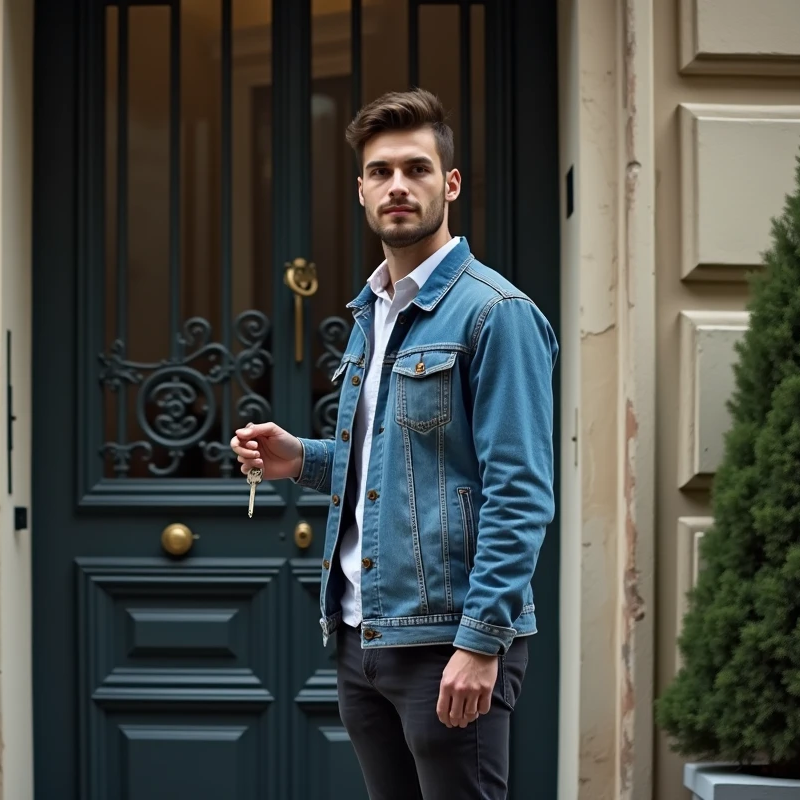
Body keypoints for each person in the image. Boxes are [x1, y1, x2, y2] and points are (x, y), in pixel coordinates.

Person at [229, 89, 558, 800]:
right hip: (361, 638)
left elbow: (520, 491)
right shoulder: (372, 312)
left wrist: (479, 642)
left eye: (416, 168)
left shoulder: (496, 314)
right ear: (360, 190)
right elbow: (401, 467)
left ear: (451, 183)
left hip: (447, 641)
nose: (398, 187)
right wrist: (303, 459)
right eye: (381, 172)